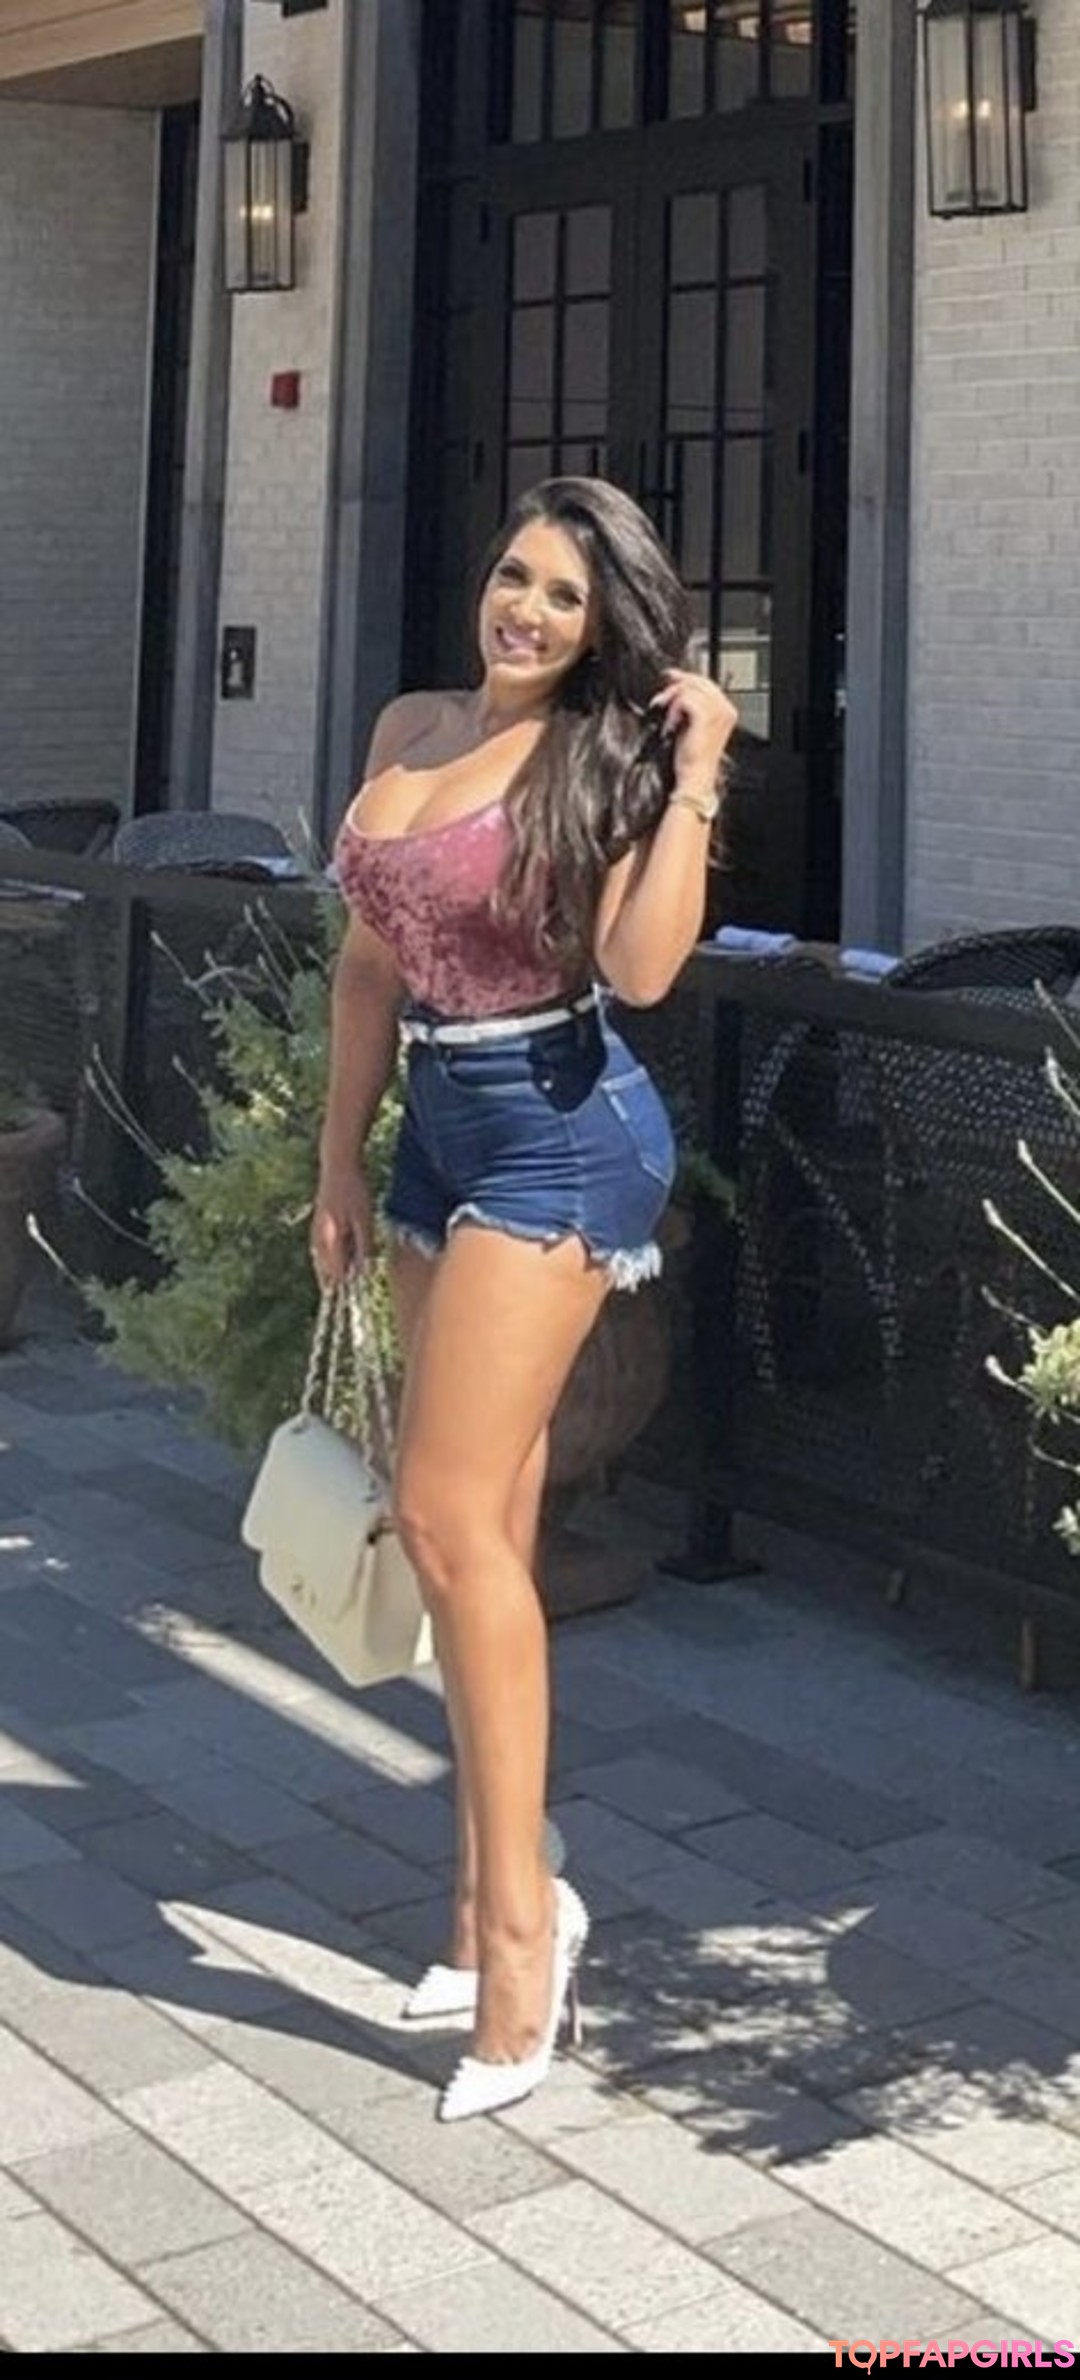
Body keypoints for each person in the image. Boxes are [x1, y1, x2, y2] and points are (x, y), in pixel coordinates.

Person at [311, 475, 738, 2122]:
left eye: (566, 596)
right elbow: (368, 963)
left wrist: (697, 774)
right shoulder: (410, 727)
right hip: (437, 1124)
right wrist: (340, 1165)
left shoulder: (596, 760)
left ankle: (517, 1950)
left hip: (562, 1132)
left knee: (446, 1518)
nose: (528, 611)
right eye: (515, 576)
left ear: (601, 625)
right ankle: (497, 1893)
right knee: (466, 1528)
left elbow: (640, 970)